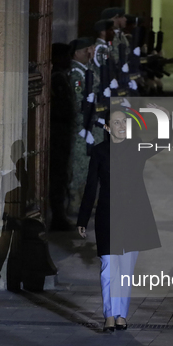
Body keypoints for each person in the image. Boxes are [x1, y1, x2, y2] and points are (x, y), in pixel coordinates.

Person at [76, 106, 165, 332]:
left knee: (125, 271)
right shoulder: (98, 152)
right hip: (107, 216)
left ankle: (120, 315)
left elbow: (163, 141)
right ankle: (109, 315)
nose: (122, 125)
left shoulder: (137, 147)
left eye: (124, 121)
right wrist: (82, 219)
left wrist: (164, 116)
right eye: (116, 122)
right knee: (108, 267)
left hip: (133, 218)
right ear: (107, 128)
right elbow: (91, 186)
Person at [68, 37, 103, 215]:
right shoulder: (76, 73)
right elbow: (77, 103)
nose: (88, 53)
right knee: (80, 165)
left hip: (91, 123)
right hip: (82, 126)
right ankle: (76, 203)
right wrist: (83, 127)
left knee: (90, 164)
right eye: (85, 51)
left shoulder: (85, 70)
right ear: (76, 53)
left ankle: (87, 200)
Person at [49, 43, 76, 230]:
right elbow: (62, 108)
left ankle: (61, 214)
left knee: (63, 173)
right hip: (58, 132)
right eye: (66, 56)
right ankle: (58, 216)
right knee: (58, 174)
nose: (69, 60)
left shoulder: (62, 77)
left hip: (63, 131)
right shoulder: (57, 78)